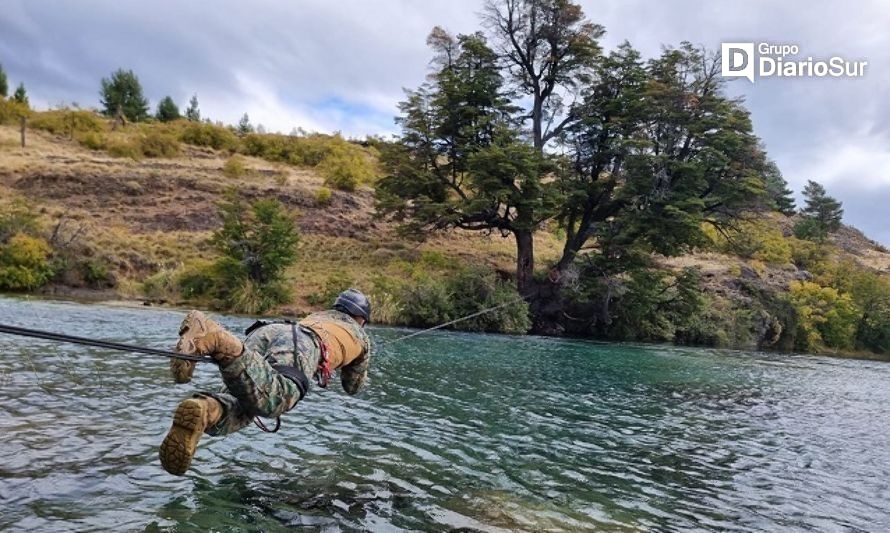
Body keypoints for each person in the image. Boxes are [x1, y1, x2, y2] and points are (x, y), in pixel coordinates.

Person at [159, 288, 372, 476]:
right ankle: (216, 338)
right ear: (361, 318)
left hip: (270, 330)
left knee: (246, 403)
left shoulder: (319, 315)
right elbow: (352, 386)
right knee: (276, 399)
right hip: (304, 343)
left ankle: (205, 410)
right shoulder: (360, 336)